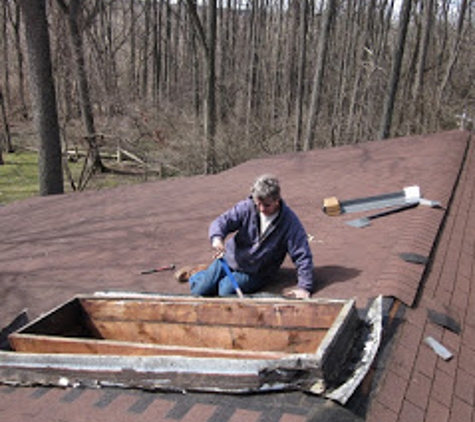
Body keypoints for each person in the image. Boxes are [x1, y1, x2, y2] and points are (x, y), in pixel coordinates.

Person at [178, 174, 314, 299]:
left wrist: (304, 287)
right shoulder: (246, 207)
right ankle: (196, 274)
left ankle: (207, 274)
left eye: (266, 205)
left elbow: (302, 255)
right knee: (200, 290)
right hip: (230, 258)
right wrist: (217, 239)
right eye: (258, 203)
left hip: (256, 271)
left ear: (277, 200)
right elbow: (222, 222)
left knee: (225, 292)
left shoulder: (289, 222)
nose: (261, 209)